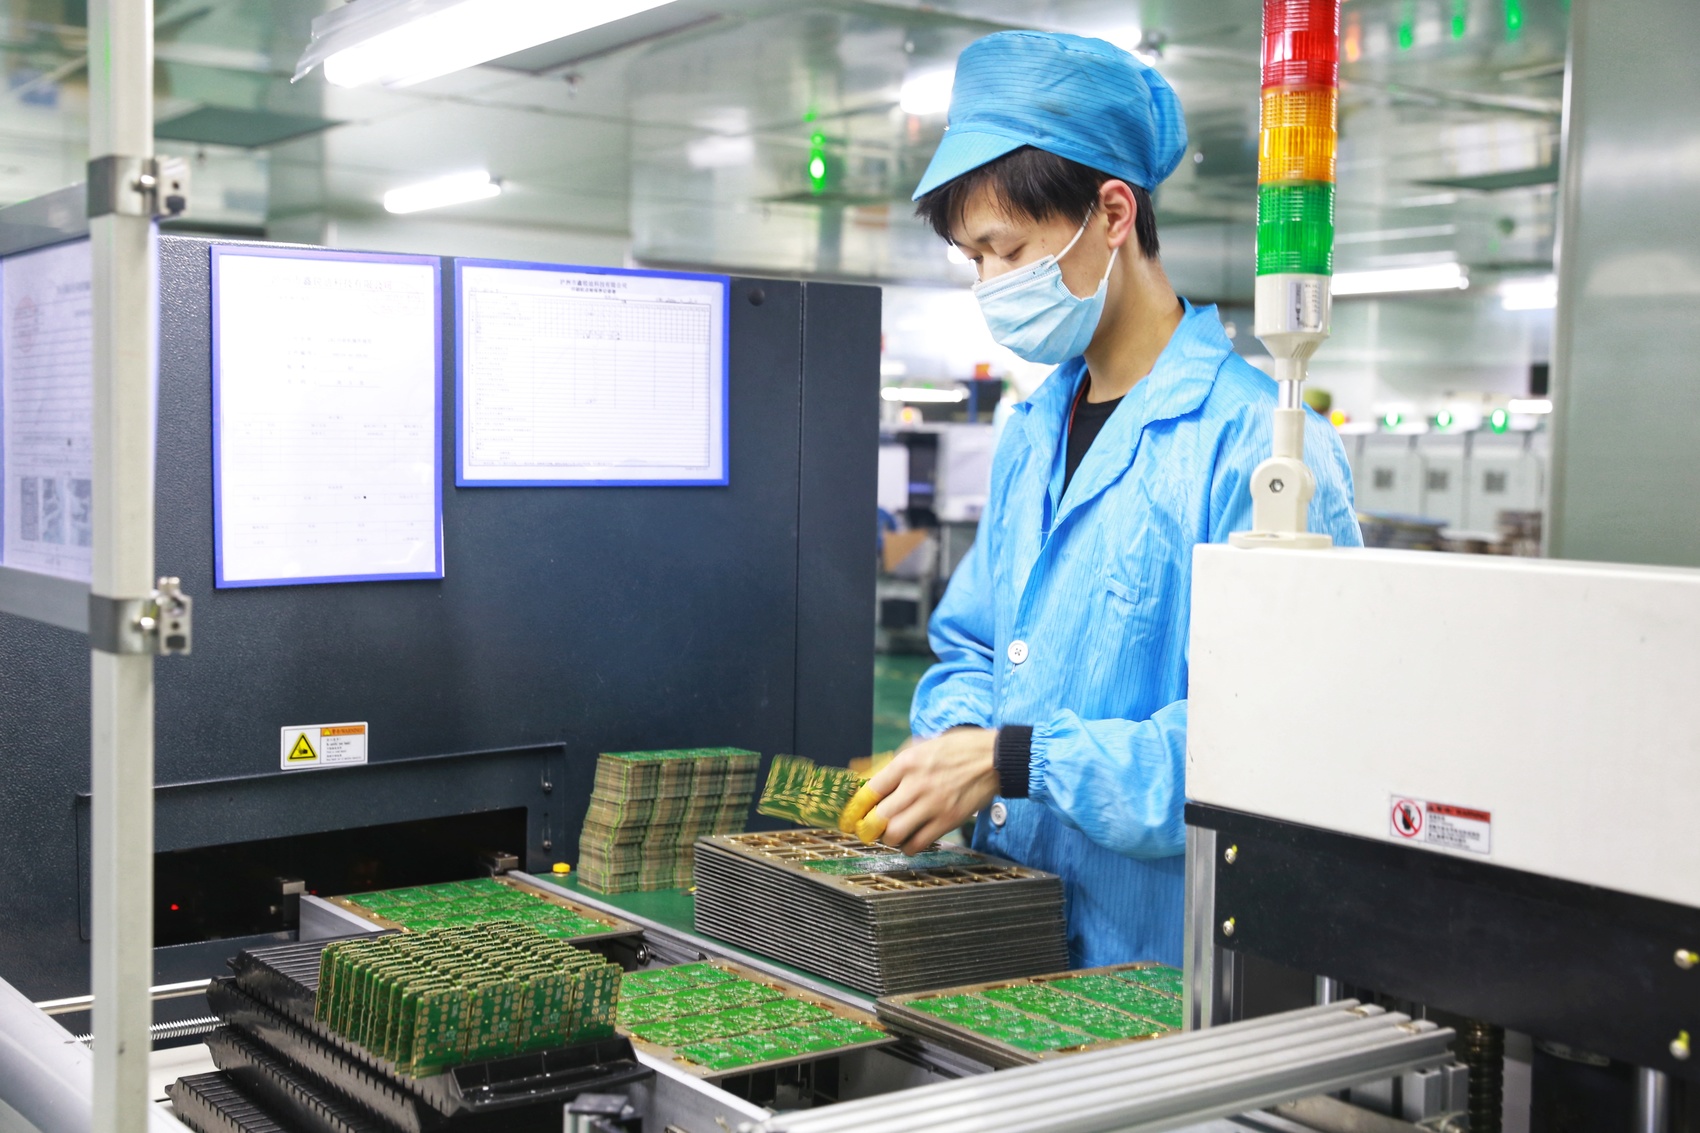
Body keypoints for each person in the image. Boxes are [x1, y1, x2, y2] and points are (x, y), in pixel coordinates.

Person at [858, 31, 1362, 968]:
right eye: (974, 261)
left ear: (1114, 213)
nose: (991, 285)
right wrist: (961, 741)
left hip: (1166, 976)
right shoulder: (1030, 435)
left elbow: (1274, 743)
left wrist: (1015, 759)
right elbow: (974, 645)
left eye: (1007, 249)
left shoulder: (1257, 446)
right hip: (1006, 948)